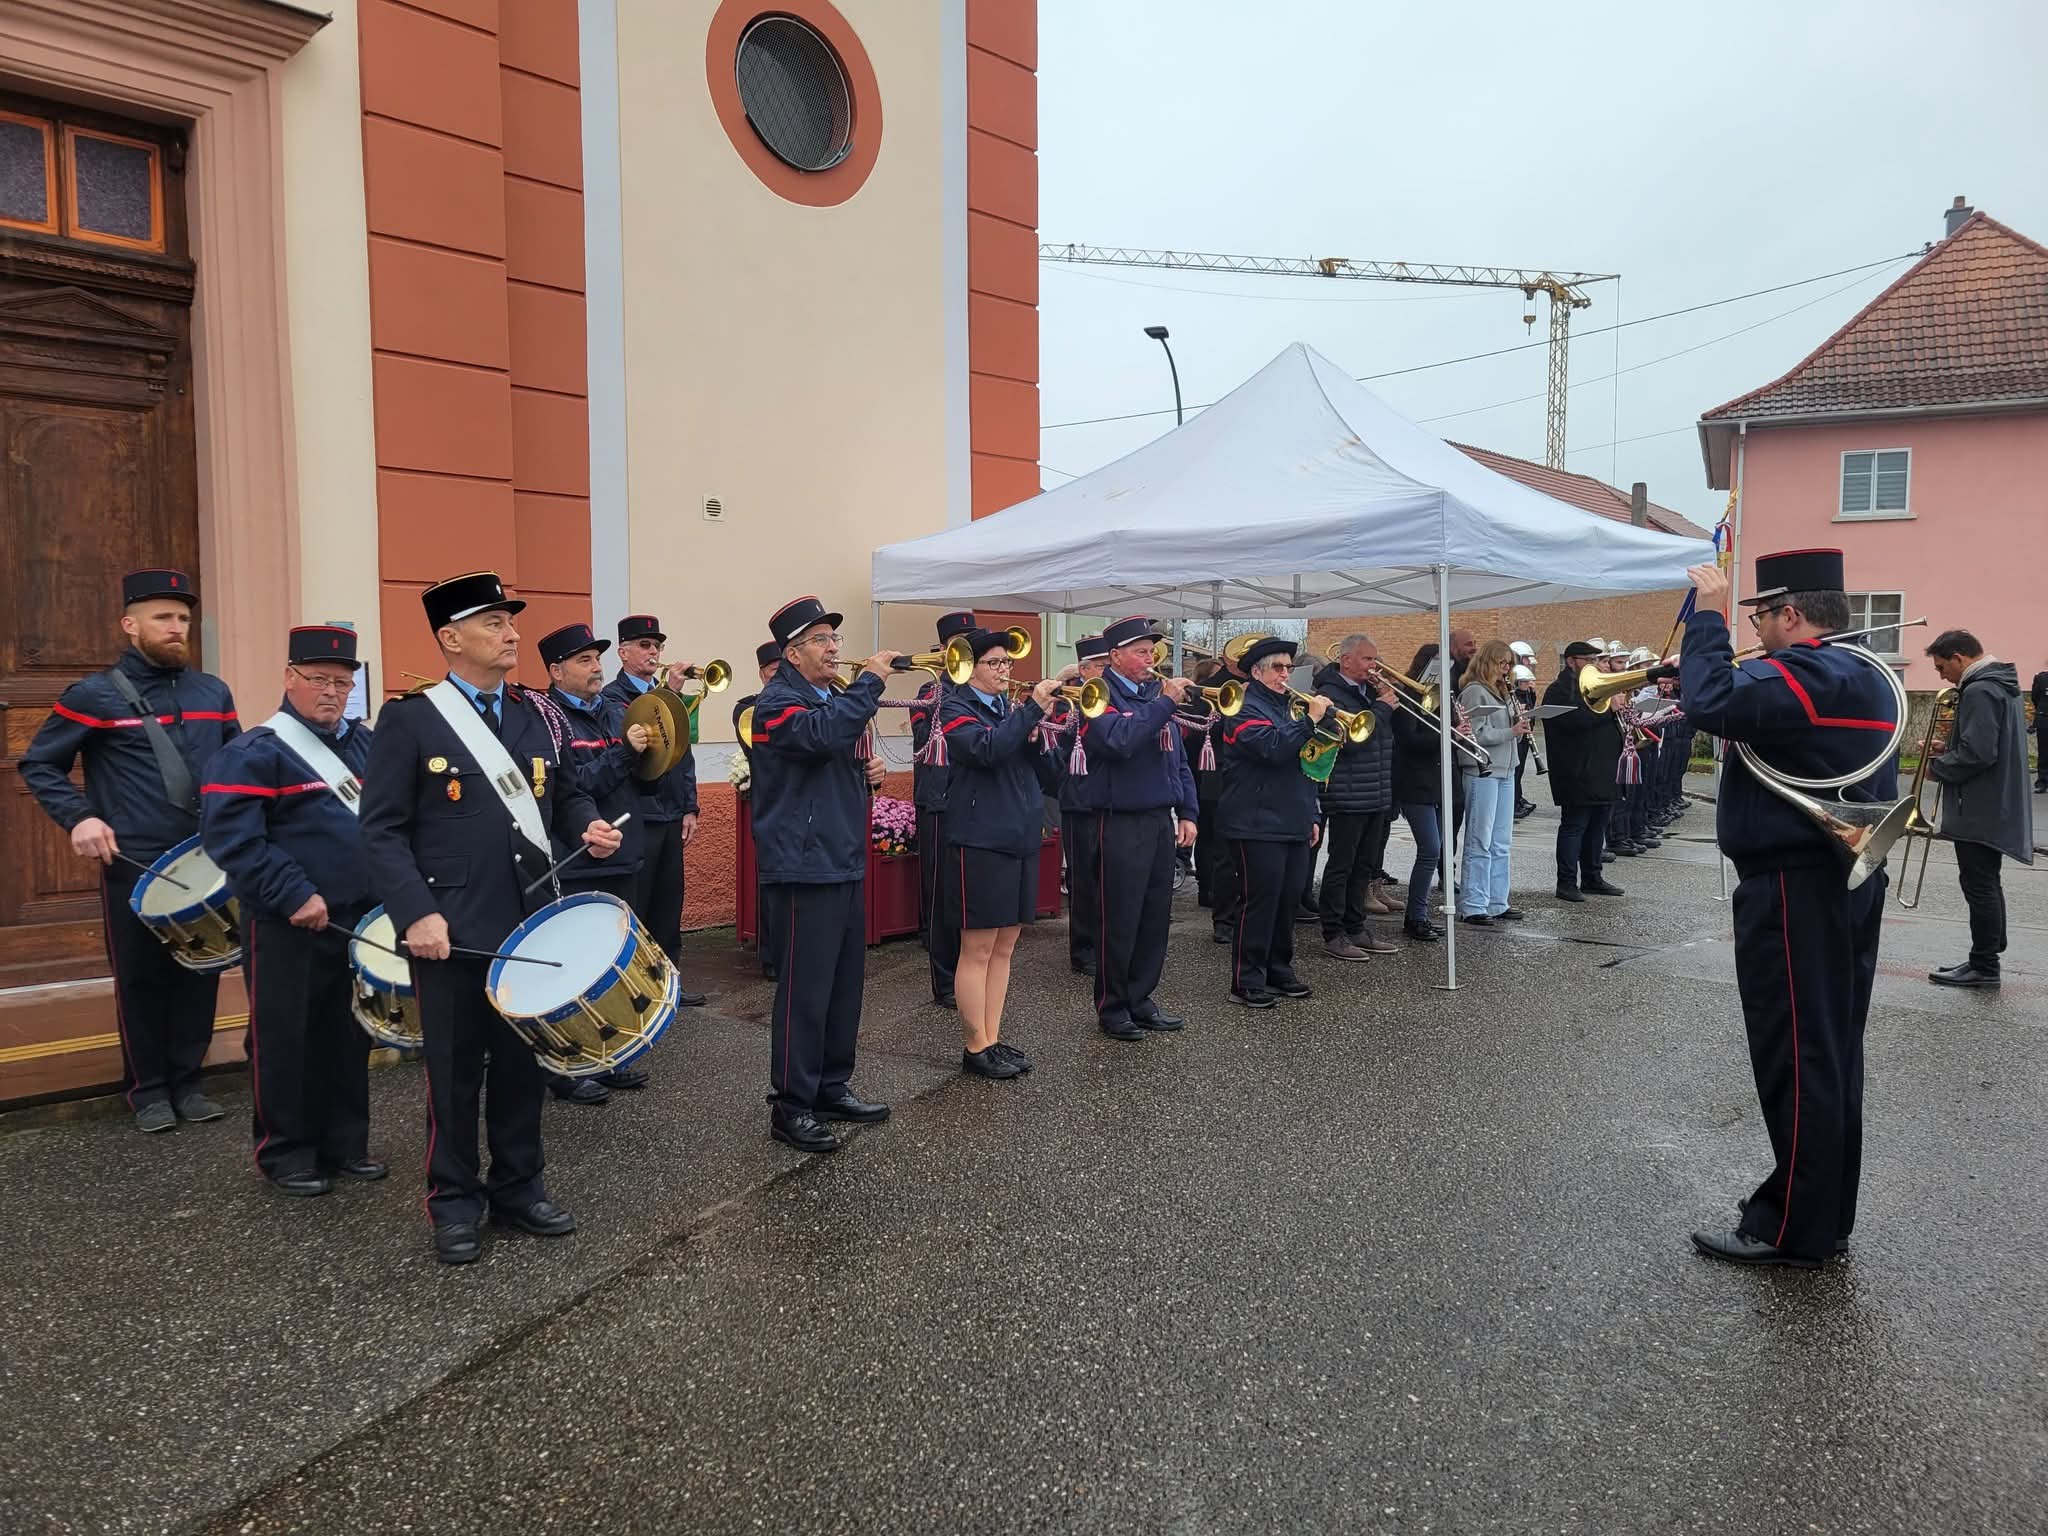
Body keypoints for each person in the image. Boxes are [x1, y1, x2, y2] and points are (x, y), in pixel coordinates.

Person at [359, 572, 623, 1265]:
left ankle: (518, 1188)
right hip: (447, 930)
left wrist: (587, 824)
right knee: (452, 1074)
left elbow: (563, 794)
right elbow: (381, 831)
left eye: (510, 623)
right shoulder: (412, 720)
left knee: (520, 1066)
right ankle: (453, 1201)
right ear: (451, 639)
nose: (512, 635)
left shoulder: (535, 714)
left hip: (528, 923)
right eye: (494, 624)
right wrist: (415, 913)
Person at [1678, 550, 1901, 1269]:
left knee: (1797, 1055)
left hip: (1794, 884)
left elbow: (1710, 703)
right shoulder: (1866, 673)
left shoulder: (1810, 673)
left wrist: (1708, 624)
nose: (1758, 631)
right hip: (1838, 879)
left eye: (1761, 618)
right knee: (1831, 1053)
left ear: (1791, 614)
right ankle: (1824, 1217)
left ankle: (1792, 1229)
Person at [19, 569, 241, 1134]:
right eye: (163, 617)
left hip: (205, 856)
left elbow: (237, 765)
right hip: (135, 862)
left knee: (200, 968)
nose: (177, 627)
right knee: (141, 977)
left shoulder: (213, 692)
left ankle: (188, 1082)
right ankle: (148, 1090)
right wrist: (81, 817)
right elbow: (39, 763)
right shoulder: (92, 695)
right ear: (130, 625)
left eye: (184, 618)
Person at [199, 625, 380, 1195]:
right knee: (285, 1037)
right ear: (289, 678)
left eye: (343, 683)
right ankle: (286, 1152)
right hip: (287, 922)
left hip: (356, 918)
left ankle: (345, 1143)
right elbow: (234, 841)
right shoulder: (253, 753)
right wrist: (293, 893)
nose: (332, 692)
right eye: (319, 679)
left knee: (348, 1034)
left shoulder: (366, 745)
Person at [749, 596, 895, 1152]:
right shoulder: (775, 702)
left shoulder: (828, 698)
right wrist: (870, 682)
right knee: (805, 992)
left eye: (835, 638)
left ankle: (831, 1085)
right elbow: (817, 737)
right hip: (803, 864)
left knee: (843, 986)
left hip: (840, 855)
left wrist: (866, 771)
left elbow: (830, 752)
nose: (835, 648)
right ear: (792, 653)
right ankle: (790, 1104)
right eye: (821, 640)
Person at [935, 631, 1061, 1077]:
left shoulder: (1011, 711)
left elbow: (1052, 776)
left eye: (1007, 662)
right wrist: (1030, 713)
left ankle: (991, 1036)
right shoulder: (955, 708)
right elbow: (985, 751)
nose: (1005, 670)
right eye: (994, 663)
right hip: (980, 839)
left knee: (1005, 946)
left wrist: (1039, 736)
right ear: (969, 669)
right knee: (978, 947)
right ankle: (975, 1046)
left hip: (1019, 835)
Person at [539, 622, 654, 1101]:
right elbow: (576, 786)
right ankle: (566, 1068)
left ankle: (607, 1057)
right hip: (580, 860)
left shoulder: (614, 711)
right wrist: (626, 752)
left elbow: (640, 780)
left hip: (622, 855)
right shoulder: (549, 720)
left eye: (597, 659)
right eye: (584, 660)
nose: (596, 668)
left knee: (612, 969)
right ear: (556, 671)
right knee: (572, 969)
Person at [1081, 615, 1198, 1042]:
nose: (1151, 660)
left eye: (1152, 652)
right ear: (1115, 656)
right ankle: (1112, 1007)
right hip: (1120, 820)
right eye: (1141, 652)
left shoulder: (1153, 695)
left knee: (1154, 917)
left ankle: (1141, 998)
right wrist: (1164, 704)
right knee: (1120, 918)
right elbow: (1120, 740)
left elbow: (1178, 759)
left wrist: (1188, 811)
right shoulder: (1098, 695)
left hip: (1158, 819)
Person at [601, 615, 705, 1010]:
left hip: (670, 813)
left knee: (668, 903)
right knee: (638, 904)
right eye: (644, 645)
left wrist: (690, 806)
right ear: (623, 652)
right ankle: (635, 990)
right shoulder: (613, 698)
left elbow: (683, 755)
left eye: (657, 646)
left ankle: (669, 983)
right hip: (638, 815)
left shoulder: (666, 697)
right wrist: (668, 695)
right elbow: (643, 745)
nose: (653, 652)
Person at [1923, 629, 2034, 989]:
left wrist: (1937, 767)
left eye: (1942, 667)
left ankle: (1984, 965)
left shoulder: (1979, 690)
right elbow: (1986, 744)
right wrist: (1948, 747)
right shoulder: (2001, 684)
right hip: (1994, 801)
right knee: (1987, 881)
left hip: (1978, 804)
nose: (1942, 676)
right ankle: (1986, 955)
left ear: (1958, 657)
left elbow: (1979, 753)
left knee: (1978, 884)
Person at [1217, 637, 1325, 1007]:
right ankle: (1247, 979)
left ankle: (1279, 969)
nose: (1285, 674)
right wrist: (1311, 720)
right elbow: (1272, 748)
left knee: (1288, 899)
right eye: (1278, 668)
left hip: (1293, 815)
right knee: (1260, 902)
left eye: (1288, 668)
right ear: (1257, 672)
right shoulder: (1242, 706)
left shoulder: (1291, 707)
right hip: (1255, 820)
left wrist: (1311, 813)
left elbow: (1306, 763)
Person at [1307, 635, 1400, 961]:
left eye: (1374, 659)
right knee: (1341, 867)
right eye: (1367, 659)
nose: (1374, 666)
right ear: (1346, 660)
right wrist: (1382, 708)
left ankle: (1357, 927)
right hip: (1347, 794)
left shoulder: (1368, 693)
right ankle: (1334, 933)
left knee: (1364, 867)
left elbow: (1389, 736)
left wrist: (1386, 701)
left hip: (1376, 791)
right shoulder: (1329, 695)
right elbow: (1350, 743)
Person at [909, 611, 978, 1009]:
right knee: (940, 895)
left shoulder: (981, 690)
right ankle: (945, 980)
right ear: (943, 650)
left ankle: (969, 972)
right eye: (960, 645)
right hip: (938, 800)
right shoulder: (929, 689)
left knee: (967, 894)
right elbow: (925, 736)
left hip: (970, 801)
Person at [1544, 641, 1626, 903]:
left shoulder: (1596, 688)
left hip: (1603, 769)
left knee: (1598, 826)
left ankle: (1592, 877)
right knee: (1575, 826)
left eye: (1596, 659)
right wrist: (1608, 710)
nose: (1594, 664)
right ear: (1571, 661)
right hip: (1576, 771)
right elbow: (1572, 722)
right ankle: (1566, 882)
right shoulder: (1559, 690)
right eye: (1588, 659)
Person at [1455, 639, 1528, 926]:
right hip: (1482, 770)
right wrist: (1511, 731)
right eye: (1502, 663)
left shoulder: (1503, 692)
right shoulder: (1474, 691)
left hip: (1506, 770)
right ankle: (1473, 904)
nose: (1506, 669)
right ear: (1488, 662)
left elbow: (1506, 732)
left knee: (1501, 841)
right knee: (1480, 839)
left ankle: (1498, 901)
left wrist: (1520, 724)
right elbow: (1475, 735)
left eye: (1509, 664)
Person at [1390, 645, 1453, 943]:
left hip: (1436, 781)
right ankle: (1415, 917)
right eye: (1439, 663)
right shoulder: (1407, 696)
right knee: (1430, 850)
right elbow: (1409, 741)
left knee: (1435, 849)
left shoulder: (1443, 695)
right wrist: (1445, 734)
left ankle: (1419, 915)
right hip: (1414, 782)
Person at [1057, 634, 1110, 977]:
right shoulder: (1066, 701)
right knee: (1084, 878)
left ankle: (1107, 943)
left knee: (1110, 877)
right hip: (1079, 800)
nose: (1107, 671)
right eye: (1102, 665)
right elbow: (1060, 743)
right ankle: (1084, 948)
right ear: (1084, 669)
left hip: (1109, 799)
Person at [733, 639, 786, 980]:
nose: (780, 676)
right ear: (762, 674)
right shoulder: (748, 708)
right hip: (769, 806)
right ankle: (771, 957)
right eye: (774, 671)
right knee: (771, 886)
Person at [2029, 659, 2048, 793]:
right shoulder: (2041, 678)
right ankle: (2042, 782)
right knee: (2044, 752)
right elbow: (2035, 697)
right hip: (2045, 718)